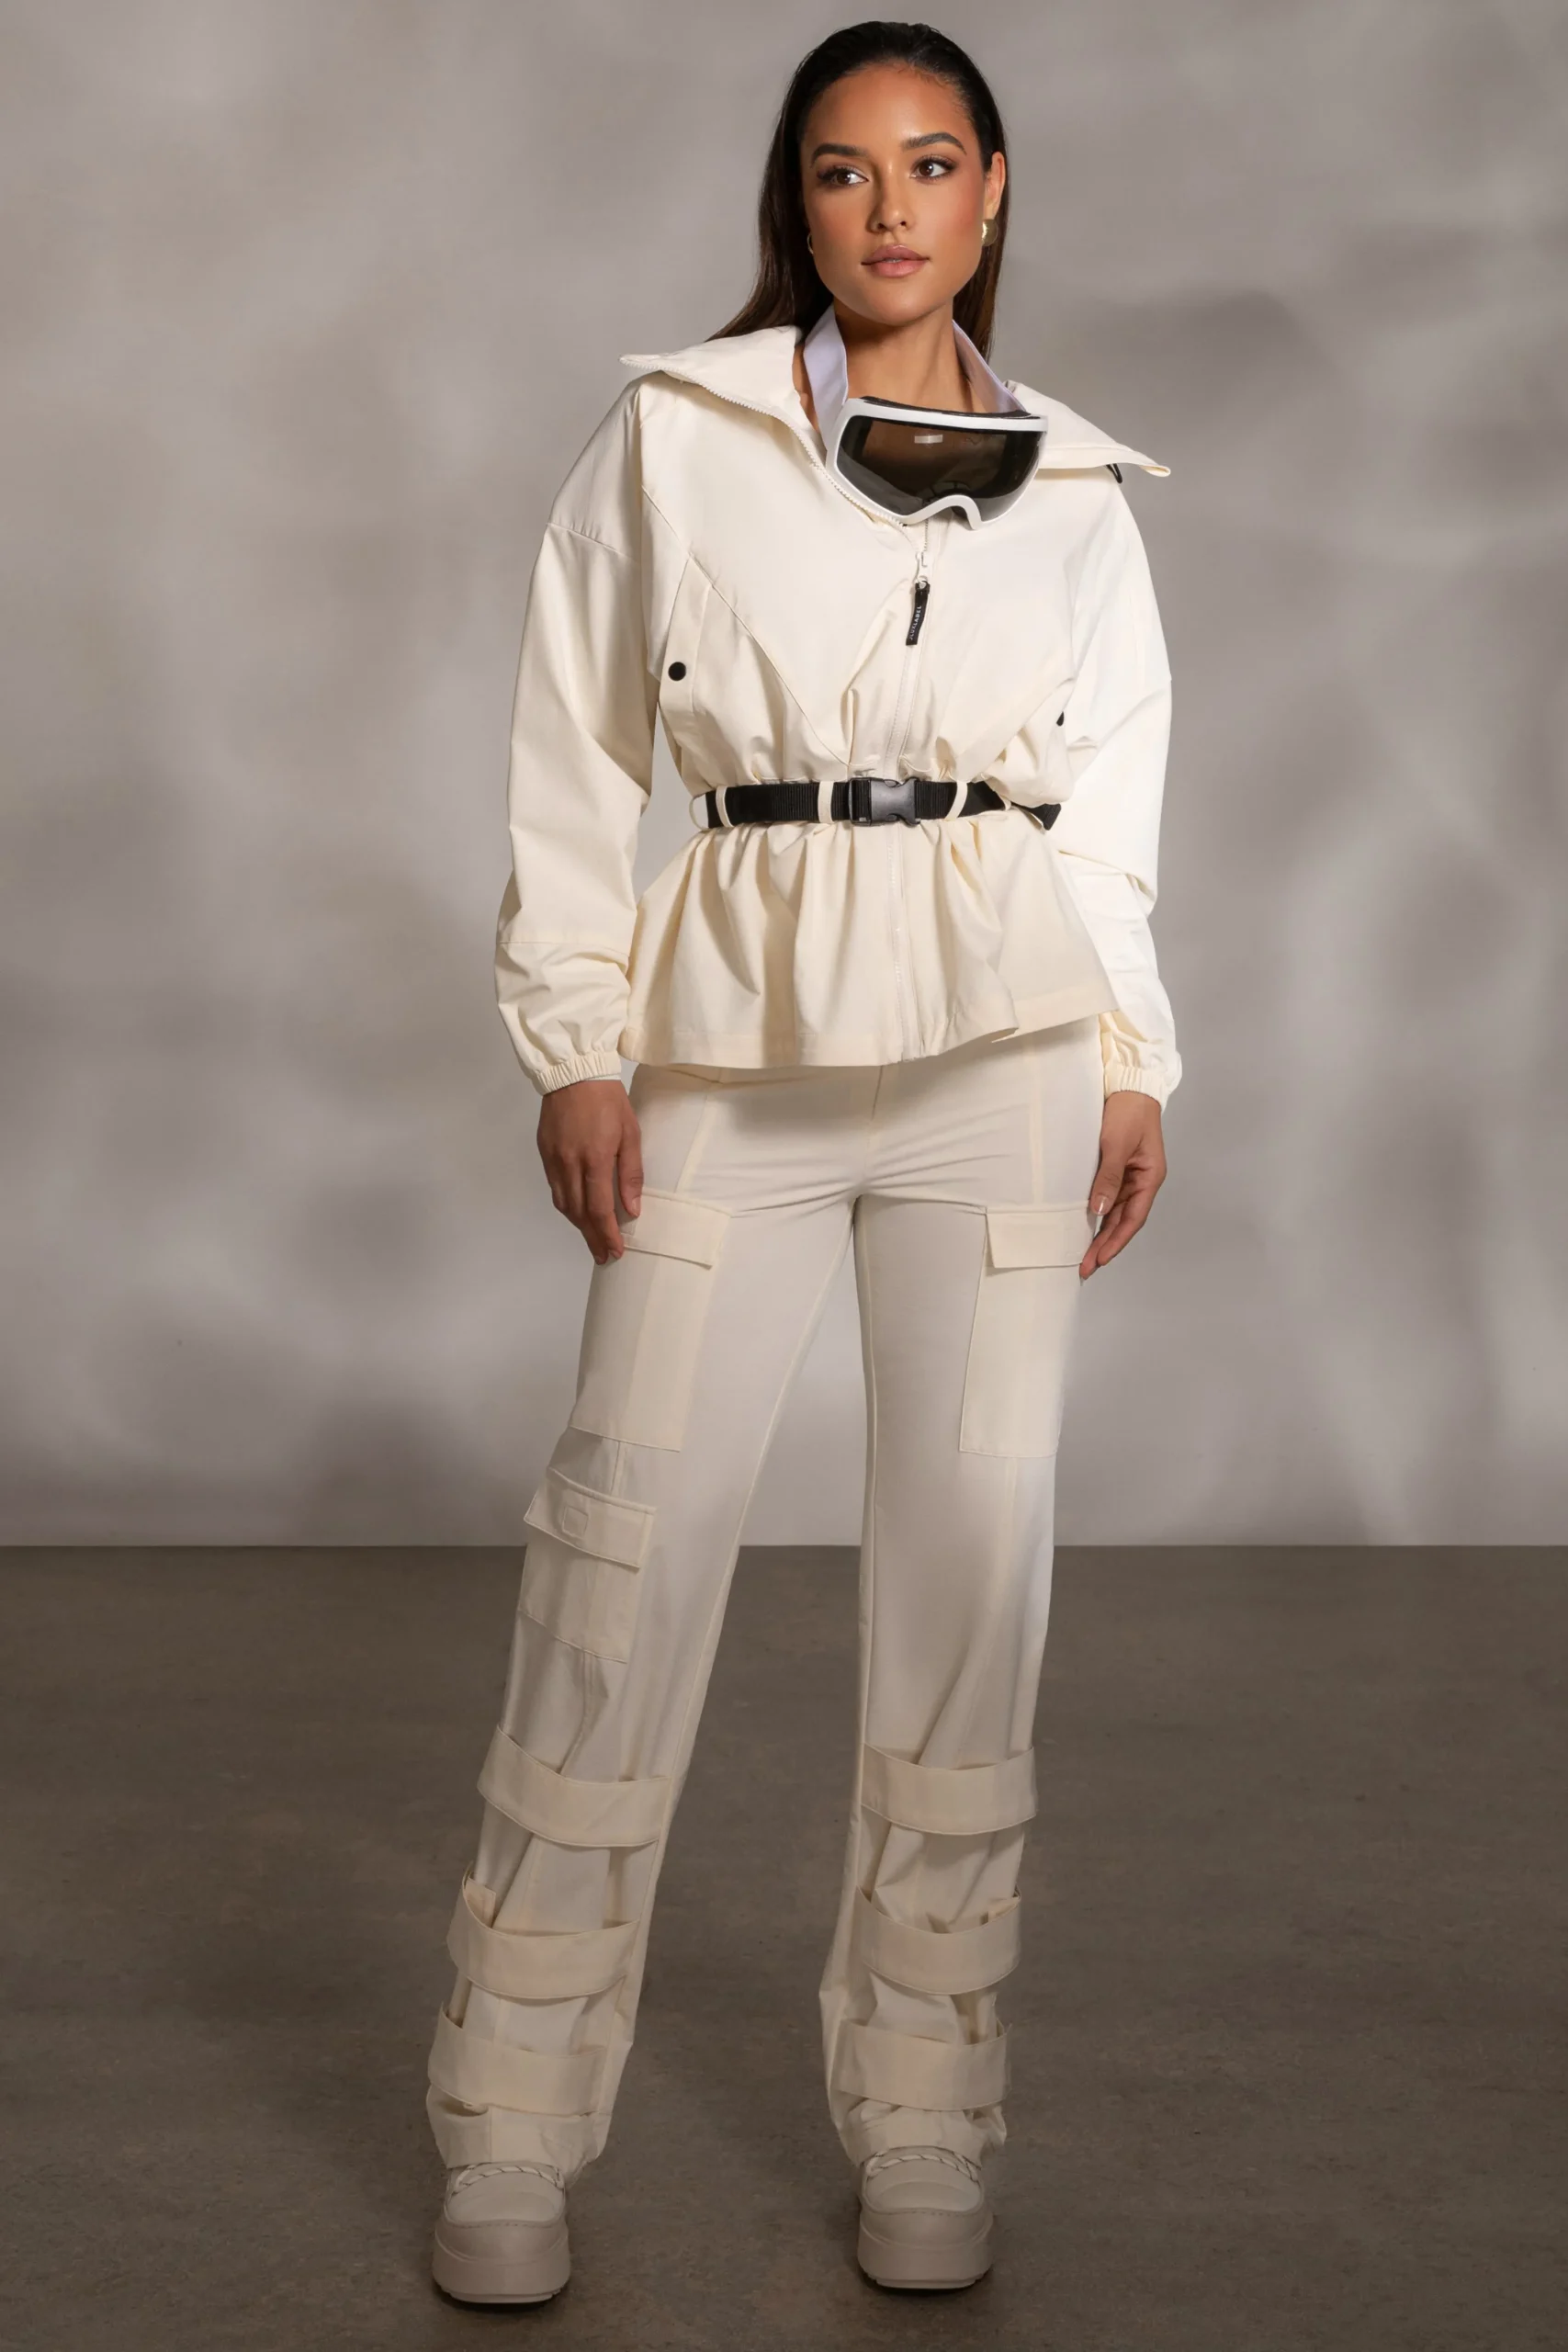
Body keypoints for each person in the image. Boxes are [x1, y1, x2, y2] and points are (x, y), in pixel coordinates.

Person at [425, 20, 1179, 2304]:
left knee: (971, 1577)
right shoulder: (678, 433)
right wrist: (576, 1037)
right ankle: (507, 2114)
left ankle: (931, 2103)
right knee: (621, 1556)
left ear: (992, 188)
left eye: (930, 164)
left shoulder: (1076, 486)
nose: (889, 207)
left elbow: (1107, 809)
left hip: (1003, 1052)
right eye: (845, 170)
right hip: (726, 1041)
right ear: (800, 200)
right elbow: (573, 747)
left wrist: (1128, 1052)